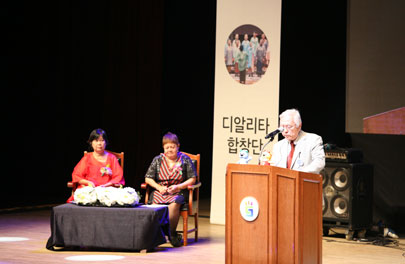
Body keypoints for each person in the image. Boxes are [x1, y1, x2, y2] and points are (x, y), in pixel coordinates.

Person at [145, 132, 197, 247]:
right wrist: (159, 187)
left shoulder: (185, 159)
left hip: (178, 190)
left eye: (172, 147)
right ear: (163, 148)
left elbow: (192, 179)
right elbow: (148, 178)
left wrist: (178, 187)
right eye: (167, 147)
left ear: (178, 146)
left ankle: (171, 233)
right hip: (161, 190)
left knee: (174, 203)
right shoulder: (157, 160)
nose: (169, 150)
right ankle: (157, 234)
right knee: (155, 203)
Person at [66, 129, 125, 203]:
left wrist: (107, 185)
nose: (99, 143)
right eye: (96, 141)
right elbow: (77, 175)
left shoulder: (112, 158)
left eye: (102, 140)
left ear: (106, 142)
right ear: (91, 143)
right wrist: (88, 183)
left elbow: (118, 177)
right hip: (89, 190)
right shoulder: (87, 158)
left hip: (107, 190)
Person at [270, 109, 325, 174]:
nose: (285, 131)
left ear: (299, 126)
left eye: (289, 126)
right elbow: (274, 168)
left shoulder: (313, 140)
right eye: (282, 127)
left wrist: (298, 174)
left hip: (304, 182)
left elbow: (319, 162)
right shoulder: (278, 146)